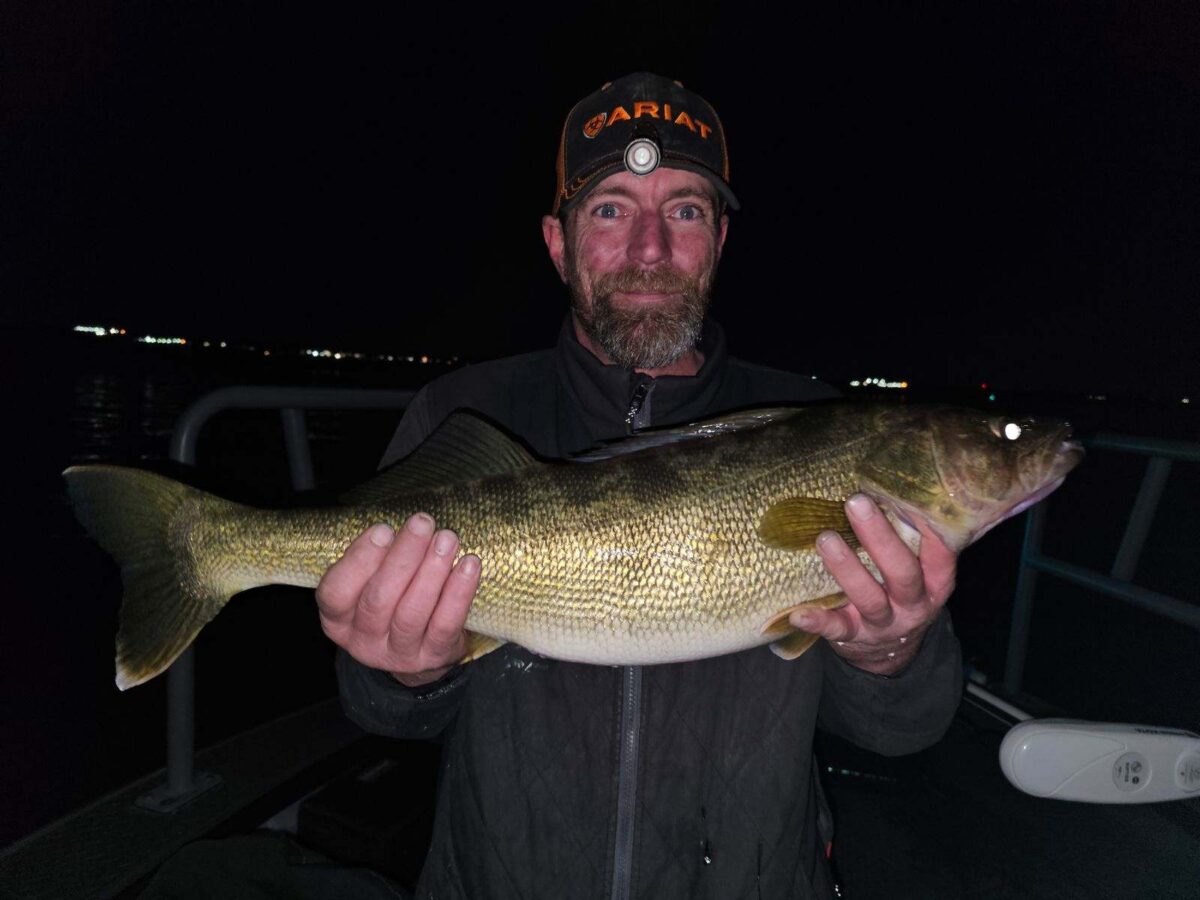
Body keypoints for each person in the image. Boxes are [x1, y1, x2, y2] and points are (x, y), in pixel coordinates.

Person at [316, 72, 962, 899]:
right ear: (558, 243)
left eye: (685, 210)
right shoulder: (464, 413)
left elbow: (904, 730)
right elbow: (386, 712)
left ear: (721, 240)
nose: (650, 249)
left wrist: (891, 647)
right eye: (612, 209)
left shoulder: (813, 422)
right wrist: (407, 673)